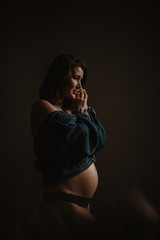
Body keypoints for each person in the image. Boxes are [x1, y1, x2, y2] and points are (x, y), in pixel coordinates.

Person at [30, 54, 106, 239]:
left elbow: (100, 139)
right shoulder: (43, 107)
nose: (80, 86)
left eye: (82, 80)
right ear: (60, 77)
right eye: (76, 78)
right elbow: (80, 140)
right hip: (62, 202)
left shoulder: (72, 113)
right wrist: (81, 111)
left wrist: (82, 110)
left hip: (82, 204)